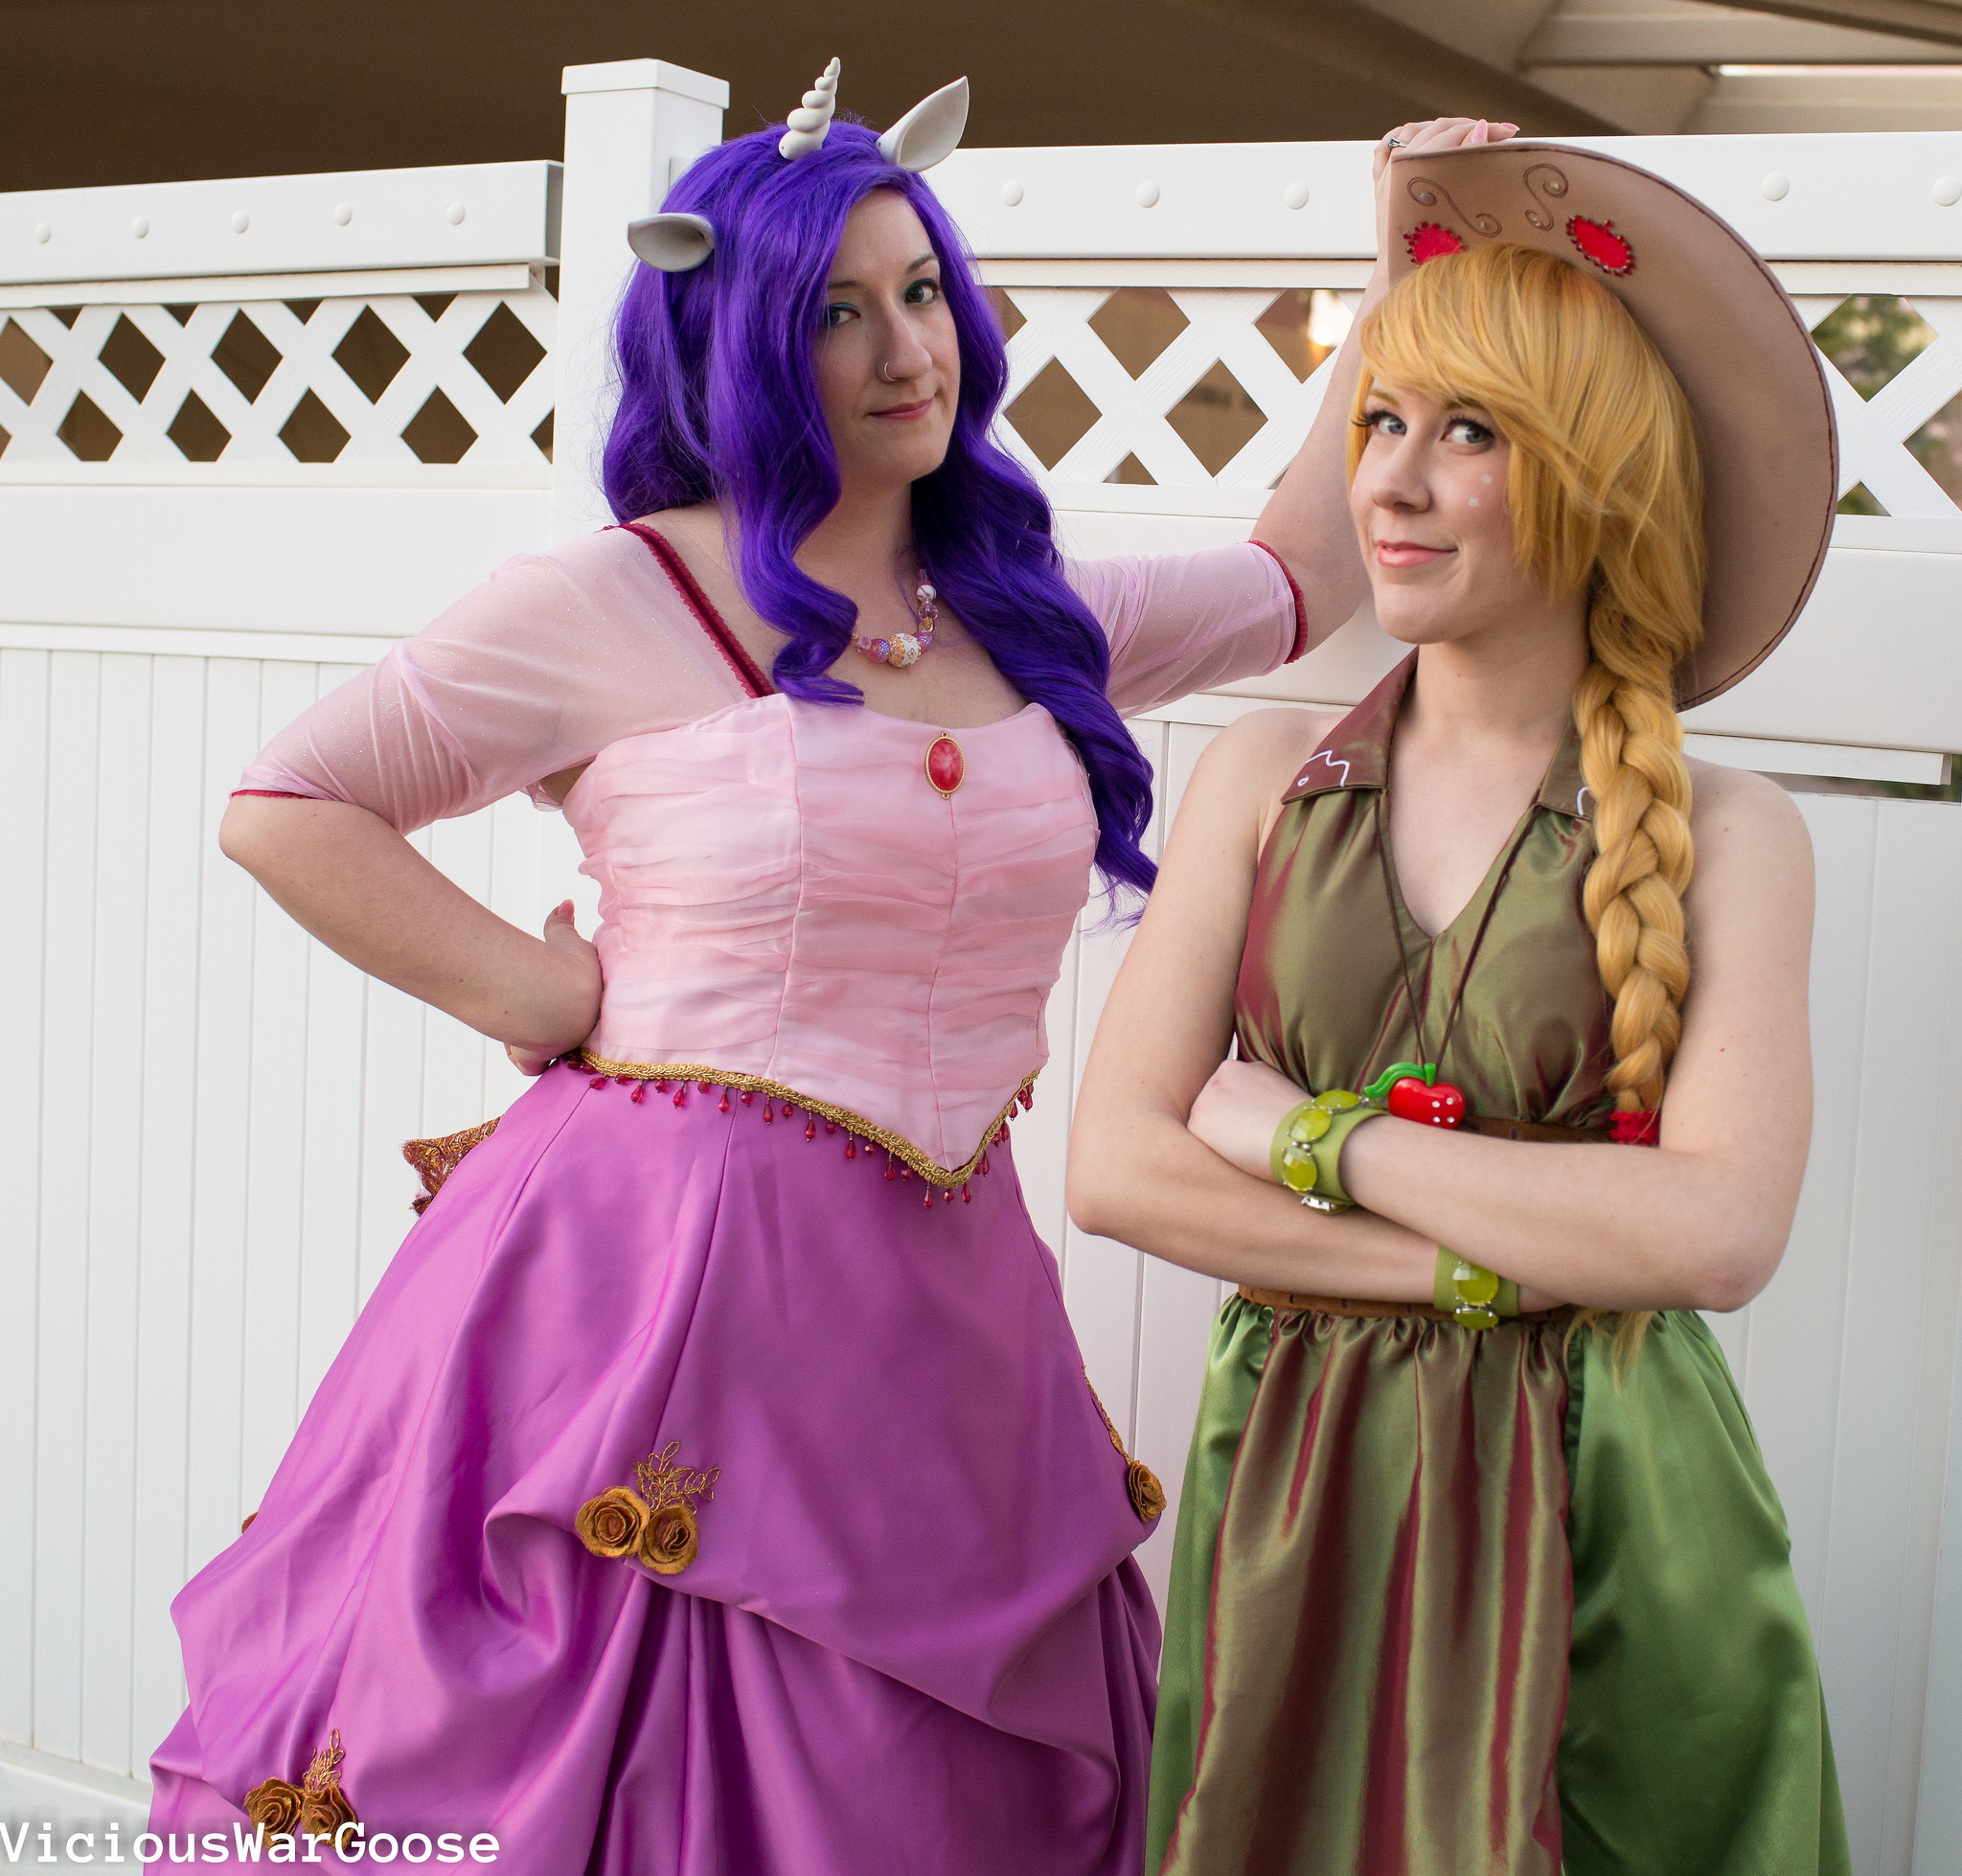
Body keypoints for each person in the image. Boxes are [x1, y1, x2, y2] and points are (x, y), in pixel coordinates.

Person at [141, 59, 1508, 1873]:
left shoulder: (1028, 615)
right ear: (736, 344)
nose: (904, 348)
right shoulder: (610, 598)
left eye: (920, 290)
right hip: (644, 1298)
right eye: (836, 313)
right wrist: (537, 998)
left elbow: (1296, 582)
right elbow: (287, 804)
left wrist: (1405, 264)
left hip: (948, 1320)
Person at [1068, 141, 1852, 1875]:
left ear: (1595, 476)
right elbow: (1116, 1168)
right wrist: (1509, 1259)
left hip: (1616, 1508)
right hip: (1302, 1501)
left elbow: (1718, 1232)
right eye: (1380, 422)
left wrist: (1313, 1139)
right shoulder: (1264, 776)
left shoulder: (1735, 831)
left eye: (1471, 433)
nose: (1394, 485)